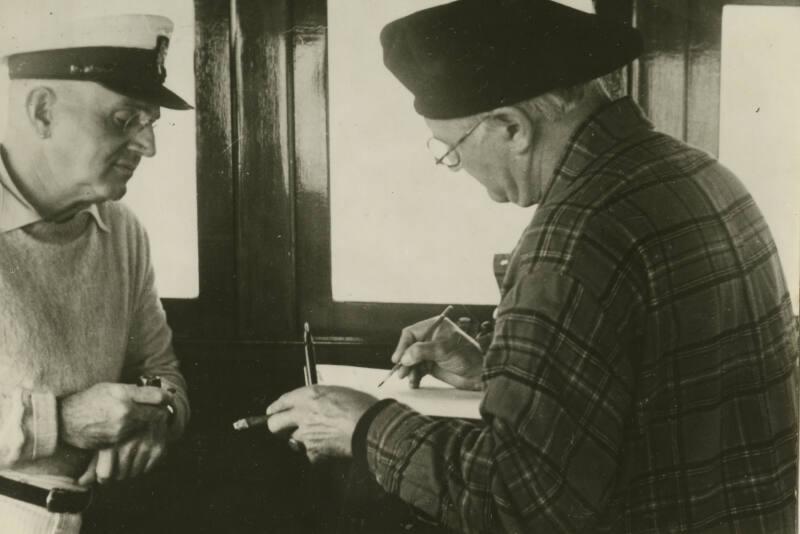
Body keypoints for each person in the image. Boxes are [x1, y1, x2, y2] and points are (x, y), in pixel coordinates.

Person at [266, 1, 798, 532]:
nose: (456, 168)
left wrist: (362, 425)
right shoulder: (703, 176)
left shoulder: (571, 240)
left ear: (512, 127)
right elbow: (654, 391)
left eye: (451, 149)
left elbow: (517, 503)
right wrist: (487, 370)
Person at [0, 13, 191, 533]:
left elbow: (162, 370)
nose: (148, 146)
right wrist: (60, 422)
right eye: (124, 119)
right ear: (42, 112)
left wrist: (156, 417)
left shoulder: (123, 231)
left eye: (149, 123)